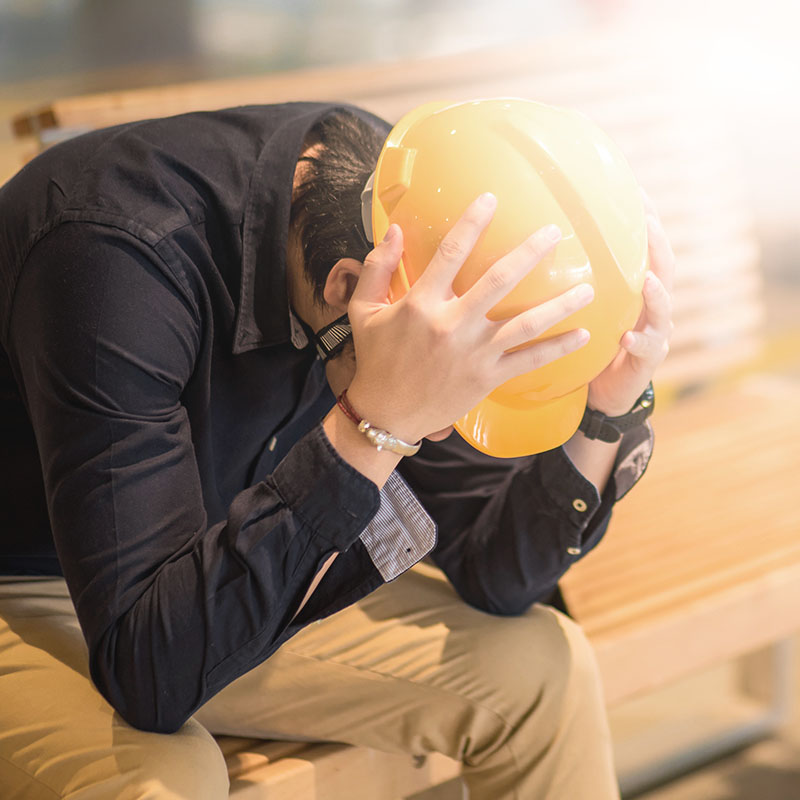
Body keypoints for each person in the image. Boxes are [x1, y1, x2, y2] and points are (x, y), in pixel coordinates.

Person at [0, 102, 673, 799]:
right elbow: (149, 671)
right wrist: (372, 426)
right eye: (450, 400)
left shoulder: (414, 218)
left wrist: (606, 416)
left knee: (544, 669)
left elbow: (493, 571)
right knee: (164, 782)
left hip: (208, 561)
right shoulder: (114, 256)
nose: (444, 432)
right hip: (30, 579)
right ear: (350, 289)